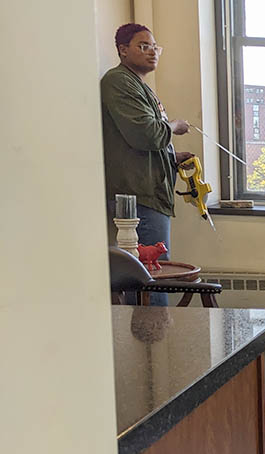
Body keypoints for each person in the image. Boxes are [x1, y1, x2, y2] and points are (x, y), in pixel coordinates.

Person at [101, 23, 193, 305]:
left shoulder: (139, 85)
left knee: (155, 272)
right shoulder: (118, 82)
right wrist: (174, 125)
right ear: (123, 50)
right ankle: (150, 344)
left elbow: (145, 141)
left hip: (151, 192)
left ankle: (151, 341)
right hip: (138, 196)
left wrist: (172, 158)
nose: (152, 52)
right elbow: (145, 134)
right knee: (150, 280)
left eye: (155, 47)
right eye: (143, 46)